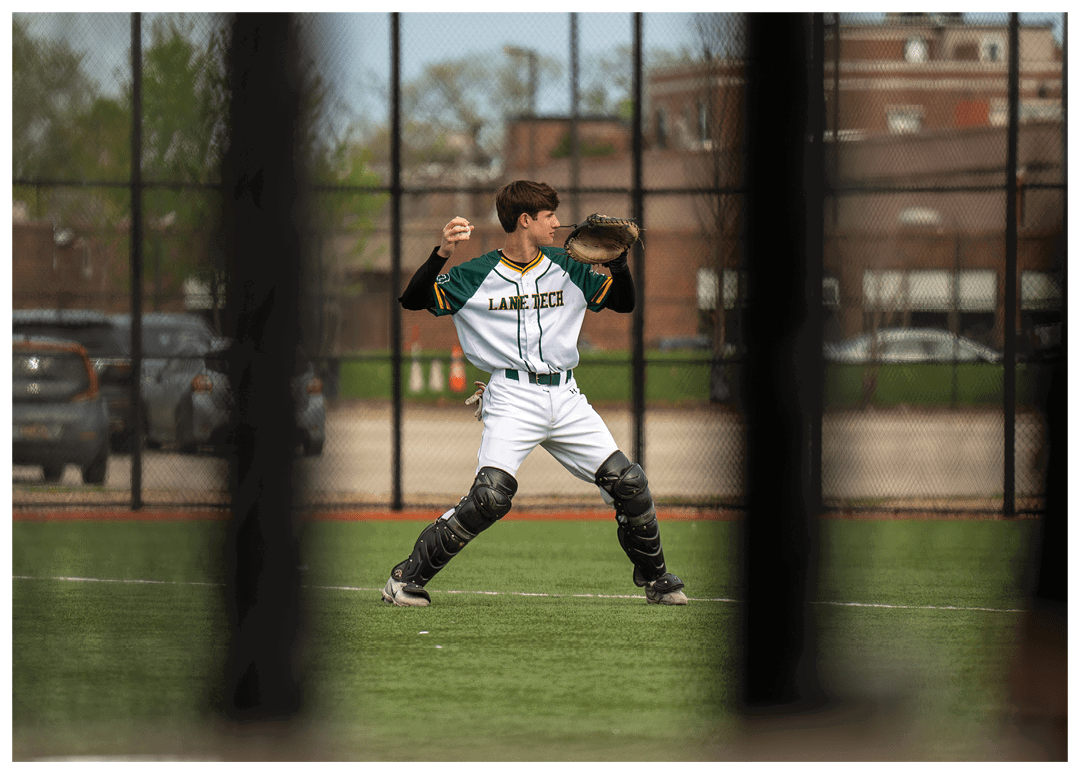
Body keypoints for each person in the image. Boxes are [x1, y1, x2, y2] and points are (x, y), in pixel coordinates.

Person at [382, 180, 687, 607]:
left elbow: (624, 303)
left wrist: (619, 264)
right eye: (549, 217)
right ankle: (404, 580)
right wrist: (441, 253)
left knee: (630, 484)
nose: (557, 224)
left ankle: (659, 581)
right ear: (525, 220)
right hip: (511, 397)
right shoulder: (476, 274)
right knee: (490, 496)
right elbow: (413, 299)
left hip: (565, 397)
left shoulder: (570, 264)